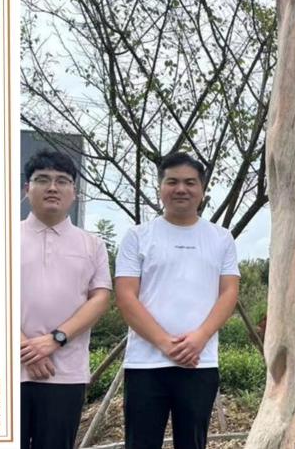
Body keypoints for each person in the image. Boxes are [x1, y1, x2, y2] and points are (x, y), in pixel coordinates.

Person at [114, 152, 240, 449]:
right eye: (172, 182)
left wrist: (200, 338)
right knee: (140, 443)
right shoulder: (137, 236)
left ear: (202, 189)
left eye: (190, 182)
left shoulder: (221, 238)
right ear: (160, 187)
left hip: (199, 361)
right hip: (145, 364)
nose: (181, 189)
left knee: (192, 443)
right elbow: (126, 296)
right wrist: (164, 343)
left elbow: (229, 293)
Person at [20, 150, 111, 449]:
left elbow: (100, 298)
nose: (52, 187)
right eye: (42, 179)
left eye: (62, 180)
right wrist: (25, 348)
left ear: (74, 192)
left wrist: (55, 340)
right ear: (27, 188)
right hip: (6, 372)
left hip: (66, 374)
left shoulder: (92, 244)